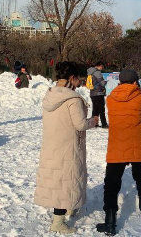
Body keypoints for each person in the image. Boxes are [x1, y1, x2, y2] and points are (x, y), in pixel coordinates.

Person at [34, 61, 98, 234]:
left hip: (52, 145)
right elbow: (80, 124)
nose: (80, 82)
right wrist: (93, 121)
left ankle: (68, 205)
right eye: (79, 79)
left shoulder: (50, 95)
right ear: (72, 78)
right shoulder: (72, 99)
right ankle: (58, 222)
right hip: (68, 146)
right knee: (66, 180)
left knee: (59, 180)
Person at [96, 69, 141, 236]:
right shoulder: (140, 97)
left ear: (120, 82)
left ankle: (110, 222)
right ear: (135, 82)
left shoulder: (111, 98)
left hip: (117, 144)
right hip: (135, 142)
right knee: (140, 173)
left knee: (111, 182)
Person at [87, 62, 108, 128]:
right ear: (99, 66)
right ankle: (104, 124)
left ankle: (94, 123)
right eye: (102, 66)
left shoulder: (90, 72)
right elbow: (102, 83)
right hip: (99, 93)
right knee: (101, 109)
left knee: (95, 109)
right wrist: (106, 81)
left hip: (93, 93)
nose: (102, 68)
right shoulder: (97, 72)